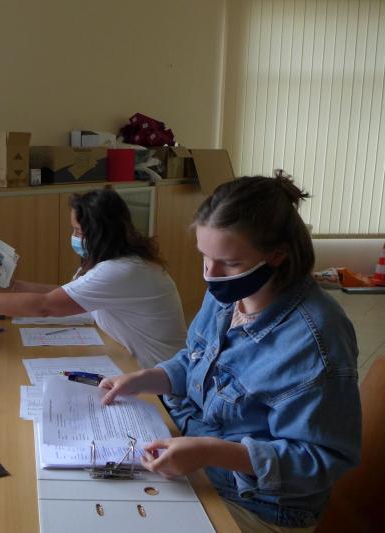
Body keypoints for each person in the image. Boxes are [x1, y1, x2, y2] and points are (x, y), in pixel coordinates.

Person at [99, 175, 361, 532]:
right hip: (197, 459)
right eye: (204, 256)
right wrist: (149, 378)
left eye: (230, 262)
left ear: (277, 254)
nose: (210, 273)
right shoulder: (227, 294)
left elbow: (322, 460)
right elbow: (195, 358)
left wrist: (211, 452)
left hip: (260, 506)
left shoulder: (316, 340)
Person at [0, 188, 187, 368]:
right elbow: (67, 293)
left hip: (161, 382)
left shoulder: (121, 270)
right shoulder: (119, 260)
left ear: (99, 233)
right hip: (131, 359)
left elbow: (45, 306)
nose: (74, 237)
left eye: (78, 231)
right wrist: (13, 286)